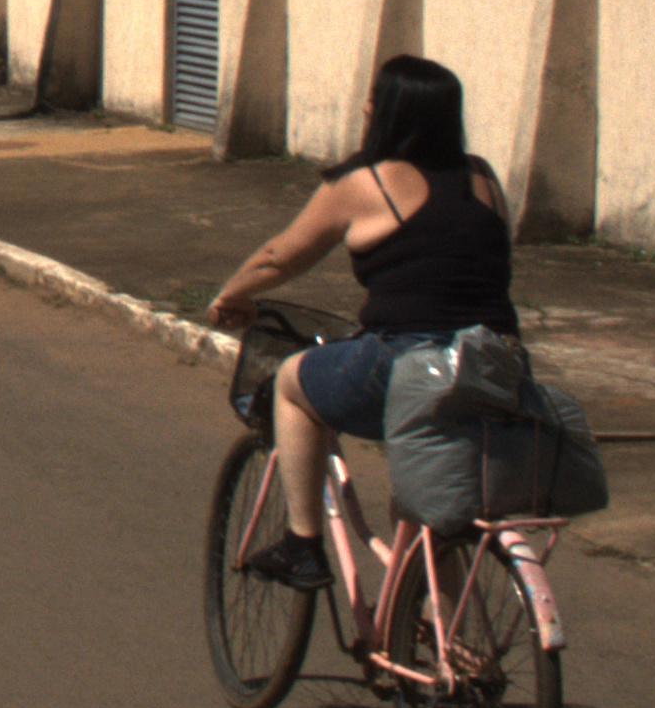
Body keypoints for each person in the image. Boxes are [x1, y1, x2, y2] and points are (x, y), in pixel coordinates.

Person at [204, 54, 518, 592]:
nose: (366, 107)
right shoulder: (482, 177)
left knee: (292, 382)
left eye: (374, 98)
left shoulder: (365, 183)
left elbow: (280, 257)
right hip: (496, 364)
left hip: (408, 362)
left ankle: (303, 544)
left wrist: (230, 295)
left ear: (388, 111)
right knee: (422, 506)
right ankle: (438, 632)